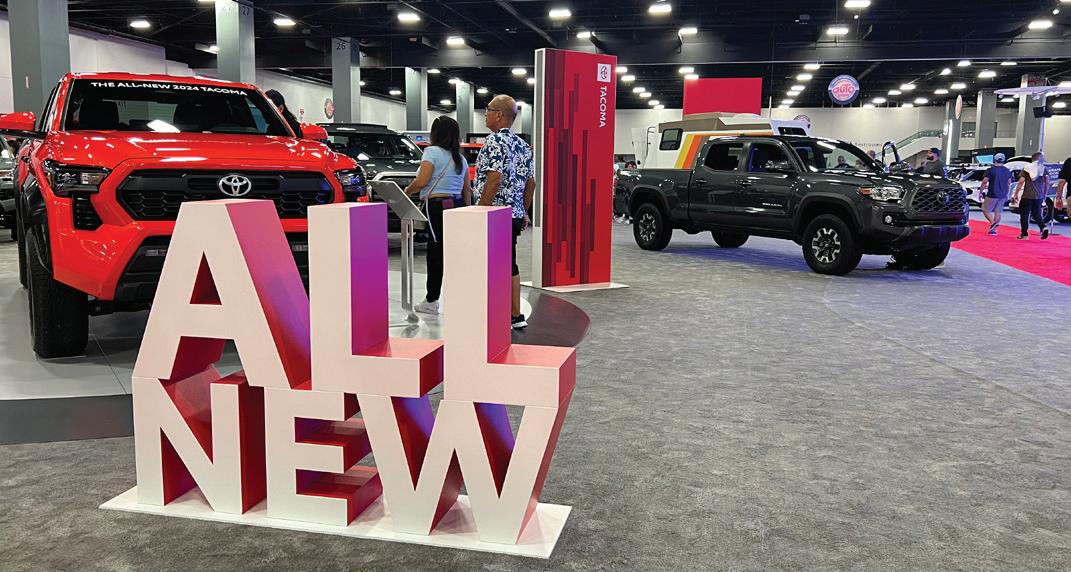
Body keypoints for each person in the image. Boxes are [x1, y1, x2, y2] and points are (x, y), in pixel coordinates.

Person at [472, 94, 536, 329]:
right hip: (513, 214)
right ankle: (515, 314)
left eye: (488, 109)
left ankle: (496, 313)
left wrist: (480, 213)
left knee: (491, 264)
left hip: (494, 215)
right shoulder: (522, 145)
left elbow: (494, 179)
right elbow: (531, 183)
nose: (485, 114)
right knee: (510, 262)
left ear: (498, 115)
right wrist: (523, 211)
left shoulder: (494, 141)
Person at [405, 116, 471, 315]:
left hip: (436, 207)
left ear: (436, 133)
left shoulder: (431, 152)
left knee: (435, 253)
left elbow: (422, 181)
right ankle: (462, 297)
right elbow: (467, 190)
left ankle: (432, 300)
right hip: (457, 206)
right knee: (454, 253)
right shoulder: (461, 159)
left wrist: (407, 191)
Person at [1011, 152, 1050, 240]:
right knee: (1037, 214)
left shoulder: (1026, 168)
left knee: (1024, 215)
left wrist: (1015, 194)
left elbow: (1021, 182)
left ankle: (1024, 234)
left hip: (1027, 195)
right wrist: (1045, 194)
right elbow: (1047, 182)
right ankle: (1043, 227)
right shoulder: (1044, 169)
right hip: (1039, 196)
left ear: (1032, 158)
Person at [978, 153, 1013, 235]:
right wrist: (1007, 193)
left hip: (992, 193)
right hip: (1003, 194)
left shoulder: (991, 170)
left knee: (985, 209)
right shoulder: (1007, 170)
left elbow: (984, 181)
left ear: (995, 159)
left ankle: (993, 223)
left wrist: (980, 192)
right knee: (998, 211)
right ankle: (993, 230)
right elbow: (1009, 183)